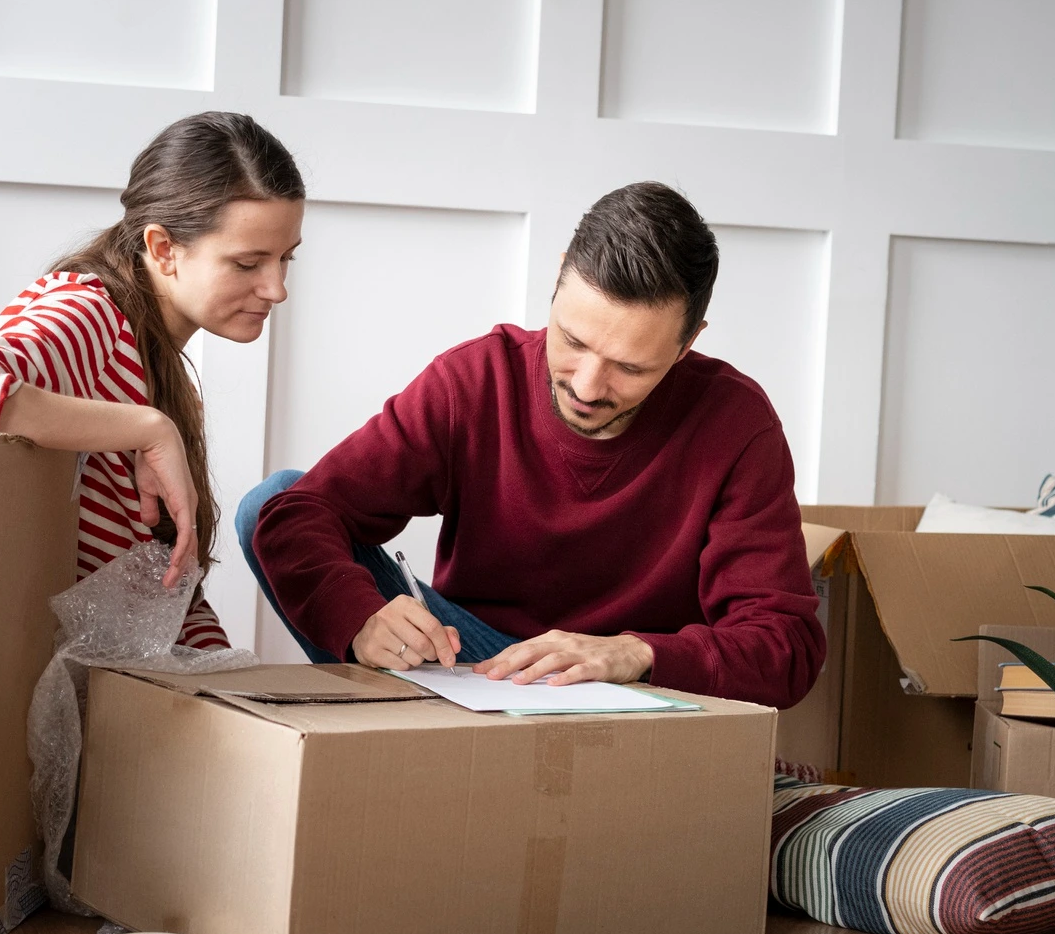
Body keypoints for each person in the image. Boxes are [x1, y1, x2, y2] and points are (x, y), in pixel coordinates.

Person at [238, 182, 823, 708]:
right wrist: (358, 617)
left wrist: (635, 655)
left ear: (688, 342)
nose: (588, 386)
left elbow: (785, 647)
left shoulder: (736, 423)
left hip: (630, 700)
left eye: (630, 367)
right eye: (572, 340)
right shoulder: (476, 381)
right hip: (478, 670)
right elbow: (299, 515)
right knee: (271, 501)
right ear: (559, 276)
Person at [0, 112, 304, 649]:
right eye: (248, 263)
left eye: (285, 259)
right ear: (163, 248)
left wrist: (230, 688)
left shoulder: (158, 369)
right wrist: (146, 427)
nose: (277, 289)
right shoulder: (89, 312)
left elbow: (168, 590)